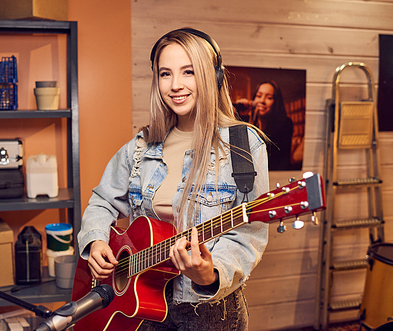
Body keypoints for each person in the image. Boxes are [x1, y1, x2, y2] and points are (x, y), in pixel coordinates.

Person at [77, 28, 269, 330]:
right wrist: (96, 240)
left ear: (212, 76)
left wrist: (210, 272)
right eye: (165, 74)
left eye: (188, 72)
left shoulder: (243, 145)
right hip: (143, 304)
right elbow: (102, 200)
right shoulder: (141, 146)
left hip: (210, 314)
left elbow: (249, 234)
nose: (176, 85)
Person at [235, 81, 293, 171]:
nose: (262, 101)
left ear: (276, 102)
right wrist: (241, 115)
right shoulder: (248, 120)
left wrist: (261, 121)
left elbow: (268, 155)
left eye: (269, 98)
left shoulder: (285, 124)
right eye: (259, 96)